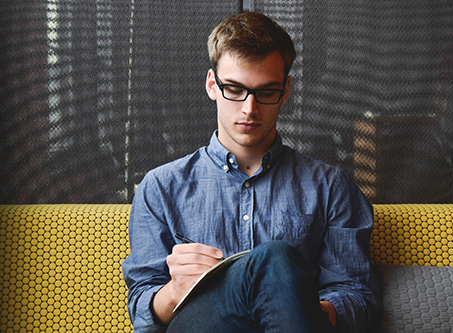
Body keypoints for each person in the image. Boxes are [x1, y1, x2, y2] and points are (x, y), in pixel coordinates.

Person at [122, 11, 380, 333]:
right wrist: (175, 291)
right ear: (212, 85)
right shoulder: (161, 187)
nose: (249, 109)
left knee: (276, 261)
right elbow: (142, 311)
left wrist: (287, 301)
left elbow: (357, 299)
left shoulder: (331, 188)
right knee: (275, 260)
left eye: (266, 92)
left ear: (285, 91)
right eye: (234, 89)